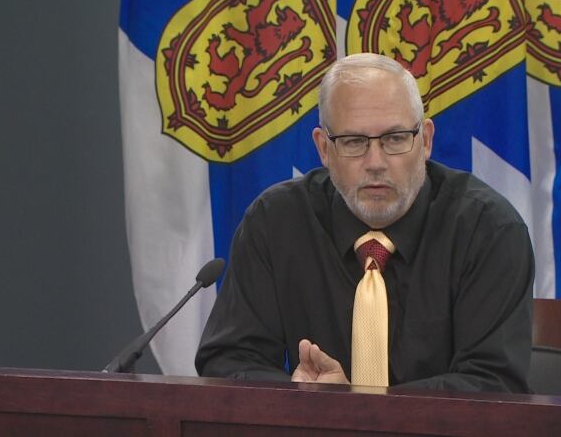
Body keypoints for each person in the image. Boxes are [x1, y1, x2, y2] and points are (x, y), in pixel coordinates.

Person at [195, 53, 534, 393]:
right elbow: (228, 360)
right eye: (354, 142)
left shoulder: (488, 230)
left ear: (426, 140)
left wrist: (354, 409)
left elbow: (494, 386)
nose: (376, 163)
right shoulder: (276, 222)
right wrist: (296, 398)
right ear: (324, 148)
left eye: (396, 138)